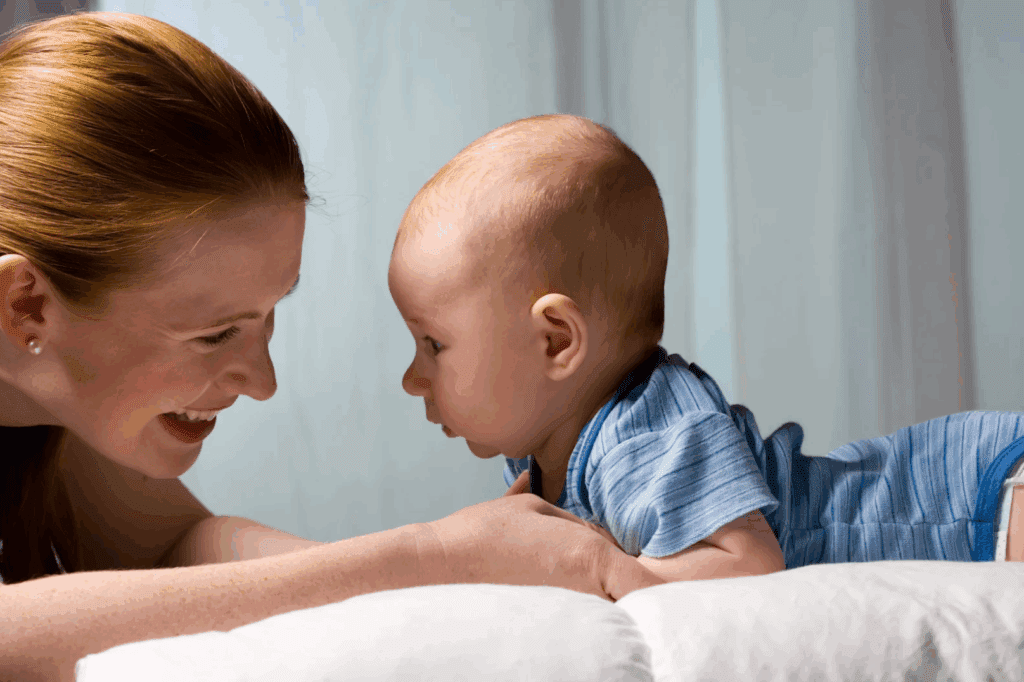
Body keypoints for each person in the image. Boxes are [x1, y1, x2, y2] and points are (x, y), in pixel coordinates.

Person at [0, 13, 664, 681]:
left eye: (267, 320)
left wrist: (462, 569)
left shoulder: (63, 412)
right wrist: (433, 555)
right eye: (215, 333)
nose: (262, 382)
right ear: (25, 305)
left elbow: (174, 547)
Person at [388, 112, 1024, 582]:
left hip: (968, 502)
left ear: (556, 341)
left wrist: (601, 570)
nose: (412, 379)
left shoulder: (646, 431)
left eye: (432, 344)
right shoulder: (546, 451)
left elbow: (747, 562)